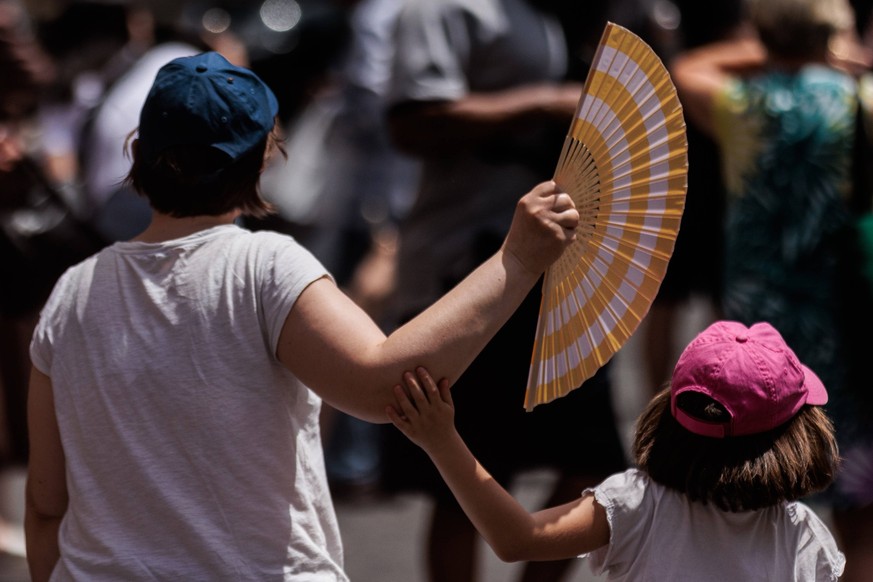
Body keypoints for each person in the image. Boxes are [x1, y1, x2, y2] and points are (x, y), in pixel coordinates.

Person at [23, 51, 580, 581]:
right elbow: (383, 385)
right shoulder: (262, 266)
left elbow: (47, 508)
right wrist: (519, 259)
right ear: (264, 155)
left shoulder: (71, 293)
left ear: (138, 149)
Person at [382, 1, 628, 579]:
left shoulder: (545, 10)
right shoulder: (444, 8)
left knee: (595, 466)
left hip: (555, 271)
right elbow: (412, 119)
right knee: (464, 474)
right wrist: (544, 102)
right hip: (469, 265)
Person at [387, 320, 845, 581]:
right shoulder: (800, 536)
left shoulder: (638, 505)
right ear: (796, 438)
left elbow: (516, 539)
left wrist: (440, 439)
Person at [670, 0, 873, 578]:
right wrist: (835, 59)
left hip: (761, 334)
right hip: (848, 320)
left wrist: (771, 48)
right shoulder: (860, 102)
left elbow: (686, 67)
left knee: (768, 494)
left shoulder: (742, 105)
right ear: (835, 33)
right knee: (859, 507)